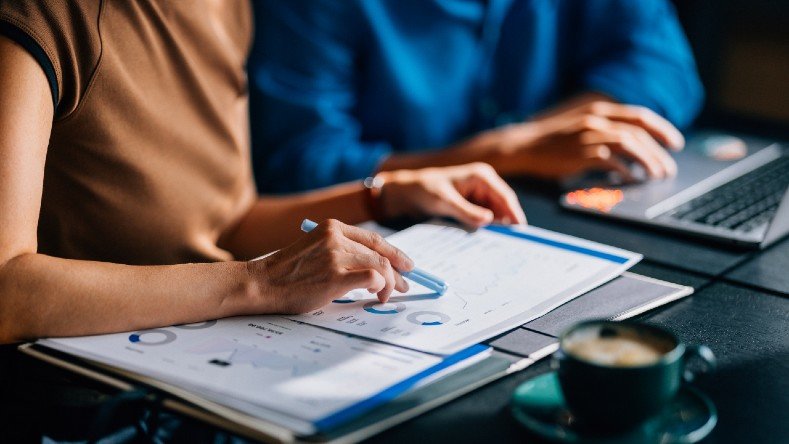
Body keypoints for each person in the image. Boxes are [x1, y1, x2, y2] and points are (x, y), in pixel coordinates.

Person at [0, 1, 525, 344]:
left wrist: (384, 197)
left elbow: (227, 221)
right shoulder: (36, 16)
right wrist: (257, 282)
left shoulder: (223, 8)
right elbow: (8, 291)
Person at [249, 0, 705, 193]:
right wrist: (505, 153)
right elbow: (300, 165)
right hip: (398, 234)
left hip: (557, 203)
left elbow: (664, 69)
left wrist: (534, 139)